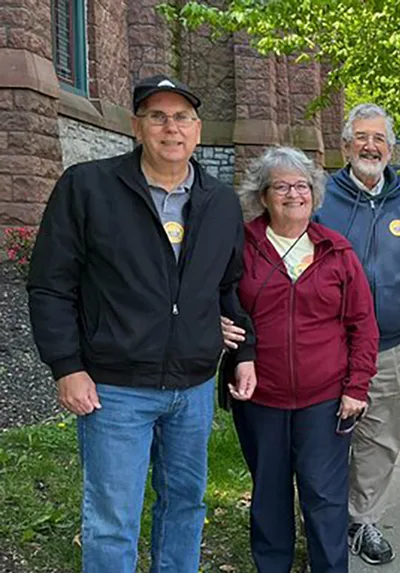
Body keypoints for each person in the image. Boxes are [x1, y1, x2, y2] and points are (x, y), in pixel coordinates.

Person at [26, 74, 256, 572]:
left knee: (186, 507)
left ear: (197, 130)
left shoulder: (220, 202)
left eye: (181, 118)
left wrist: (243, 354)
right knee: (112, 520)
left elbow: (228, 288)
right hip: (114, 389)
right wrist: (67, 366)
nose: (170, 128)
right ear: (136, 126)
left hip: (191, 389)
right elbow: (50, 284)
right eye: (157, 116)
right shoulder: (87, 187)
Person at [229, 146, 379, 573]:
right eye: (281, 186)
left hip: (325, 398)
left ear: (314, 195)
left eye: (301, 186)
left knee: (324, 496)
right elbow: (222, 304)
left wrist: (357, 386)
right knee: (270, 495)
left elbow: (362, 324)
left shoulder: (336, 250)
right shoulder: (241, 246)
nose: (293, 194)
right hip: (261, 398)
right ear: (263, 196)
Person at [312, 103, 400, 565]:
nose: (370, 146)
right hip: (325, 345)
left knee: (378, 440)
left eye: (378, 139)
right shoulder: (321, 196)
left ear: (390, 147)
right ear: (345, 146)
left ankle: (362, 521)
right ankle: (323, 526)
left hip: (388, 345)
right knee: (322, 438)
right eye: (361, 137)